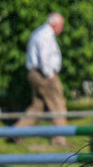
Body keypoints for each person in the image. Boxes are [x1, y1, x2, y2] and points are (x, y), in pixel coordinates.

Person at [11, 12, 68, 146]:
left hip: (37, 73)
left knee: (37, 107)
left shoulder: (41, 33)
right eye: (61, 25)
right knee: (57, 104)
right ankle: (59, 140)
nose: (62, 28)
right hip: (43, 74)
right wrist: (50, 75)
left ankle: (16, 132)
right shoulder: (45, 36)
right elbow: (44, 58)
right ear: (55, 24)